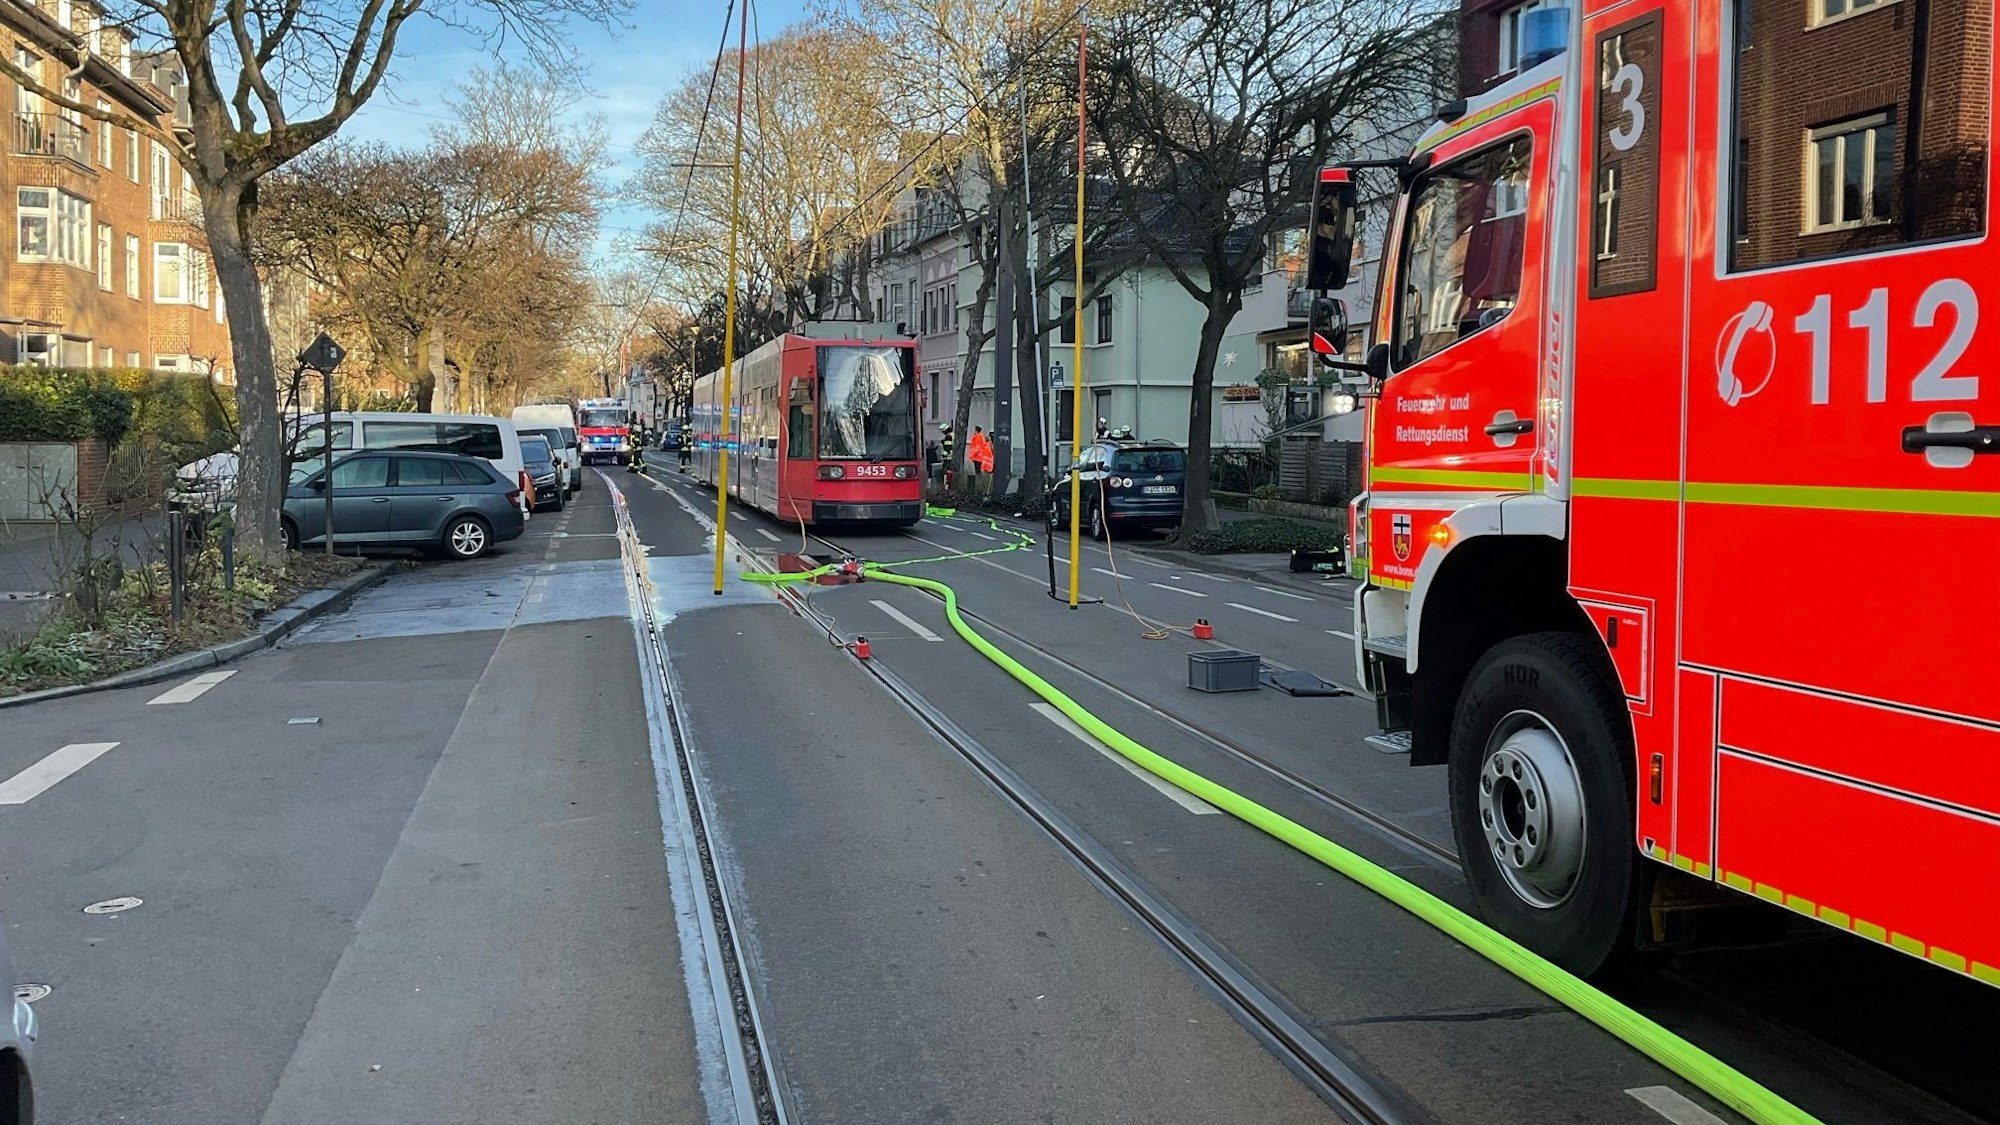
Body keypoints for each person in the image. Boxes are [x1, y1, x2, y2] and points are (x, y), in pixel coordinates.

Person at [968, 425, 994, 494]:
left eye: (974, 430)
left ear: (976, 430)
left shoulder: (978, 437)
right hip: (978, 458)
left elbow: (977, 448)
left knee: (979, 474)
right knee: (979, 474)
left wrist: (971, 455)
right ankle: (982, 489)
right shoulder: (978, 437)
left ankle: (982, 489)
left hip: (978, 458)